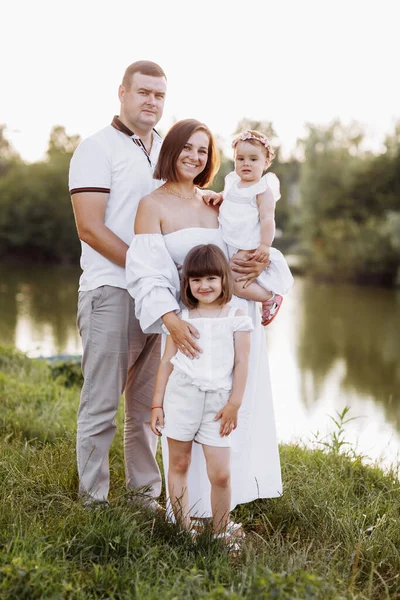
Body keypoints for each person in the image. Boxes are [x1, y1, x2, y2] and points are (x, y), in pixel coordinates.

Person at [126, 118, 282, 525]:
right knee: (185, 409)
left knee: (232, 410)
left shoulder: (217, 203)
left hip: (233, 322)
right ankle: (184, 516)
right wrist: (172, 322)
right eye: (187, 148)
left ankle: (222, 512)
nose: (195, 157)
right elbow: (147, 274)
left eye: (202, 150)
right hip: (186, 326)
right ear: (171, 151)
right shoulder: (152, 205)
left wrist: (267, 290)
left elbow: (239, 254)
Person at [68, 60, 167, 508]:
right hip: (111, 290)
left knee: (146, 409)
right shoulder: (96, 148)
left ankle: (145, 497)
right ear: (122, 93)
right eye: (143, 92)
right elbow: (90, 227)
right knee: (102, 405)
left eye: (159, 95)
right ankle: (94, 503)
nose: (151, 101)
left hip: (158, 299)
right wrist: (145, 270)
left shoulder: (168, 150)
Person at [150, 244, 253, 547]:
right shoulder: (181, 318)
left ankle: (221, 533)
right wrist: (157, 403)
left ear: (223, 279)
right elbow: (166, 362)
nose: (203, 286)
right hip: (181, 397)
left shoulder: (237, 315)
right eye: (196, 280)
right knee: (179, 464)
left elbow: (242, 363)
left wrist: (234, 403)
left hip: (219, 404)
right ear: (187, 283)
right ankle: (182, 529)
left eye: (211, 279)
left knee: (220, 473)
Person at [217, 129, 294, 326]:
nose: (246, 164)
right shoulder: (233, 182)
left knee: (236, 284)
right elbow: (227, 197)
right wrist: (217, 197)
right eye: (240, 159)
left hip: (248, 244)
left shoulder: (262, 189)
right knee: (228, 275)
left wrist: (265, 246)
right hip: (230, 240)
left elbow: (268, 219)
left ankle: (269, 297)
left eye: (253, 159)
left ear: (265, 163)